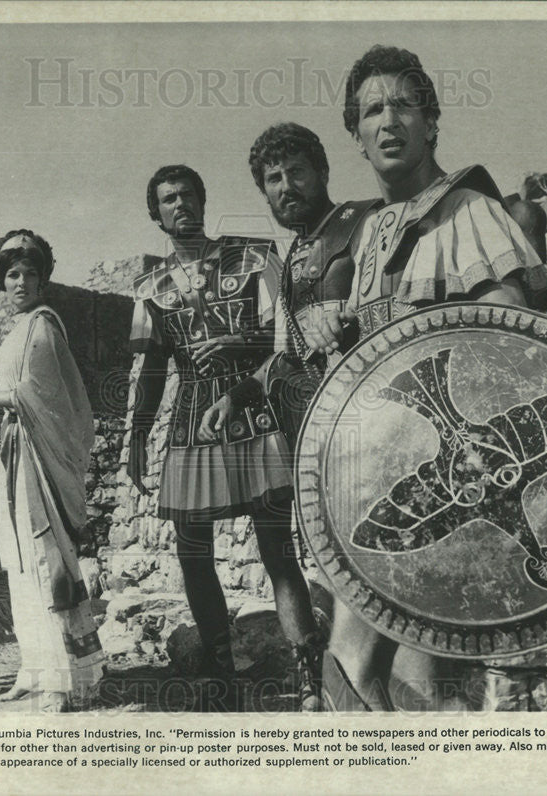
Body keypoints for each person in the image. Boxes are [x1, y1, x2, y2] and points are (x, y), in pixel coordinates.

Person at [298, 46, 547, 711]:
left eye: (404, 105)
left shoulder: (467, 209)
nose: (389, 122)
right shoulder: (370, 232)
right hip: (376, 478)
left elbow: (514, 332)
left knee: (399, 674)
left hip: (452, 483)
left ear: (431, 122)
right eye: (372, 111)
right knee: (369, 673)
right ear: (355, 135)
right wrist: (334, 333)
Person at [197, 123, 382, 707]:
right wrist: (238, 396)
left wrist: (353, 319)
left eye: (296, 172)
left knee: (373, 563)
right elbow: (286, 352)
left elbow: (402, 305)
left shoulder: (368, 223)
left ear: (323, 172)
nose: (286, 186)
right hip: (308, 435)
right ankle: (326, 689)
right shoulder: (290, 256)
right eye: (272, 180)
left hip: (370, 431)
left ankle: (369, 695)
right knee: (319, 564)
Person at [127, 165, 322, 710]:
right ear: (156, 213)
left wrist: (238, 344)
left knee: (277, 550)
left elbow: (289, 335)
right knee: (192, 553)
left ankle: (309, 674)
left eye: (189, 193)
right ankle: (218, 673)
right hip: (191, 419)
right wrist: (138, 432)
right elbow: (149, 369)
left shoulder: (254, 256)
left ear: (203, 199)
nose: (180, 204)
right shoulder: (149, 287)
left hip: (253, 408)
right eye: (168, 199)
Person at [0, 230, 105, 712]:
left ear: (43, 280)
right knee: (19, 561)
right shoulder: (17, 330)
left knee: (44, 557)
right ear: (3, 281)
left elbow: (43, 397)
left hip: (41, 455)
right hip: (17, 452)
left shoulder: (43, 326)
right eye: (12, 274)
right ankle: (34, 667)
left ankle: (65, 676)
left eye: (30, 274)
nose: (21, 282)